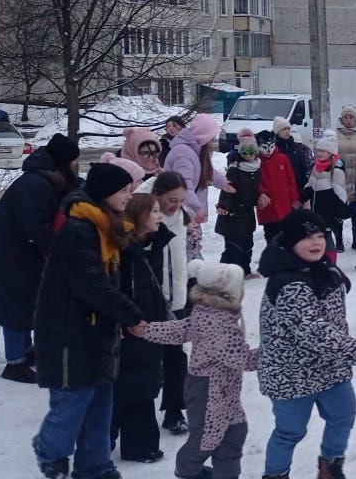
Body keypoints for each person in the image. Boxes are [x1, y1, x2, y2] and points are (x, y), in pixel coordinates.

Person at [32, 163, 146, 479]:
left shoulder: (108, 226)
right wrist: (130, 314)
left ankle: (94, 465)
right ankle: (49, 451)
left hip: (98, 331)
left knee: (100, 403)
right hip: (68, 333)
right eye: (123, 190)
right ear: (106, 193)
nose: (129, 196)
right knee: (73, 401)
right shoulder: (78, 230)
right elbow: (91, 285)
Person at [0, 132, 80, 383]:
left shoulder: (46, 179)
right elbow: (36, 227)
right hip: (9, 256)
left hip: (19, 254)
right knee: (15, 307)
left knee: (25, 304)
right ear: (63, 163)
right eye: (74, 164)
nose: (76, 168)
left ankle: (25, 351)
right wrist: (61, 251)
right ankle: (14, 363)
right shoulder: (36, 185)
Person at [258, 210, 356, 479]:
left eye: (320, 235)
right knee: (290, 431)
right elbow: (312, 330)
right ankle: (275, 475)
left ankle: (330, 466)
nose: (316, 243)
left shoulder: (323, 269)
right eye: (307, 238)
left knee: (343, 415)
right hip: (290, 373)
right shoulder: (288, 282)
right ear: (290, 243)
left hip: (330, 367)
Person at [140, 260, 258, 479]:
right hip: (208, 391)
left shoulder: (207, 312)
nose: (242, 291)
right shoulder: (220, 324)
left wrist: (148, 330)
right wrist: (273, 352)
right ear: (227, 293)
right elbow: (242, 360)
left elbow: (178, 330)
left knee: (233, 432)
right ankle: (187, 470)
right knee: (207, 438)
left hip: (223, 389)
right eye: (239, 287)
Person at [112, 193, 175, 464]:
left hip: (151, 323)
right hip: (132, 326)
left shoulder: (154, 243)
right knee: (132, 383)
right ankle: (115, 443)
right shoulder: (125, 250)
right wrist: (127, 319)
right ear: (138, 215)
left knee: (145, 380)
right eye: (155, 211)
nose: (160, 216)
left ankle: (140, 444)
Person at [148, 170, 192, 436]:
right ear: (157, 194)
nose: (175, 205)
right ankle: (136, 411)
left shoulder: (179, 216)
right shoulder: (145, 214)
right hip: (151, 297)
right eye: (171, 200)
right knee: (149, 357)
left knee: (176, 357)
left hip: (175, 296)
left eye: (180, 200)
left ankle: (175, 410)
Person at [164, 113, 231, 261]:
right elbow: (183, 184)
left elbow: (205, 171)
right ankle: (191, 280)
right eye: (211, 137)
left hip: (187, 213)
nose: (213, 141)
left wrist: (223, 183)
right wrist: (196, 208)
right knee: (187, 256)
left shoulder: (193, 152)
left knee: (192, 251)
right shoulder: (183, 153)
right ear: (203, 135)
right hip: (181, 214)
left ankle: (193, 278)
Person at [215, 129, 263, 276]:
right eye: (244, 151)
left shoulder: (256, 169)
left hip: (246, 214)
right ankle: (225, 274)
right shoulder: (234, 169)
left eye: (251, 151)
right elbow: (226, 189)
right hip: (232, 214)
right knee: (233, 246)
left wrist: (259, 198)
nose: (248, 155)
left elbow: (252, 191)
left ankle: (245, 271)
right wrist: (224, 206)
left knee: (247, 244)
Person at [305, 136, 348, 256]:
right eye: (318, 150)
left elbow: (340, 192)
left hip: (329, 209)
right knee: (319, 235)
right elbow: (310, 184)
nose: (319, 153)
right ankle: (320, 259)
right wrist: (302, 196)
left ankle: (331, 261)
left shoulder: (336, 170)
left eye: (323, 151)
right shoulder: (316, 167)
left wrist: (340, 212)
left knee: (327, 236)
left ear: (331, 153)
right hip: (316, 208)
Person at [256, 130, 301, 245]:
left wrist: (294, 199)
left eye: (270, 146)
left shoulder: (282, 159)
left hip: (284, 205)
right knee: (271, 237)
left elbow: (291, 180)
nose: (267, 150)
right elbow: (255, 182)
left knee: (286, 235)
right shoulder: (256, 162)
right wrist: (261, 193)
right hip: (267, 206)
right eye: (264, 147)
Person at [273, 117, 314, 197]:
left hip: (297, 187)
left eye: (288, 129)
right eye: (284, 129)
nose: (287, 131)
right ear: (278, 132)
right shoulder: (274, 148)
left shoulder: (295, 147)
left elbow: (303, 167)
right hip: (281, 189)